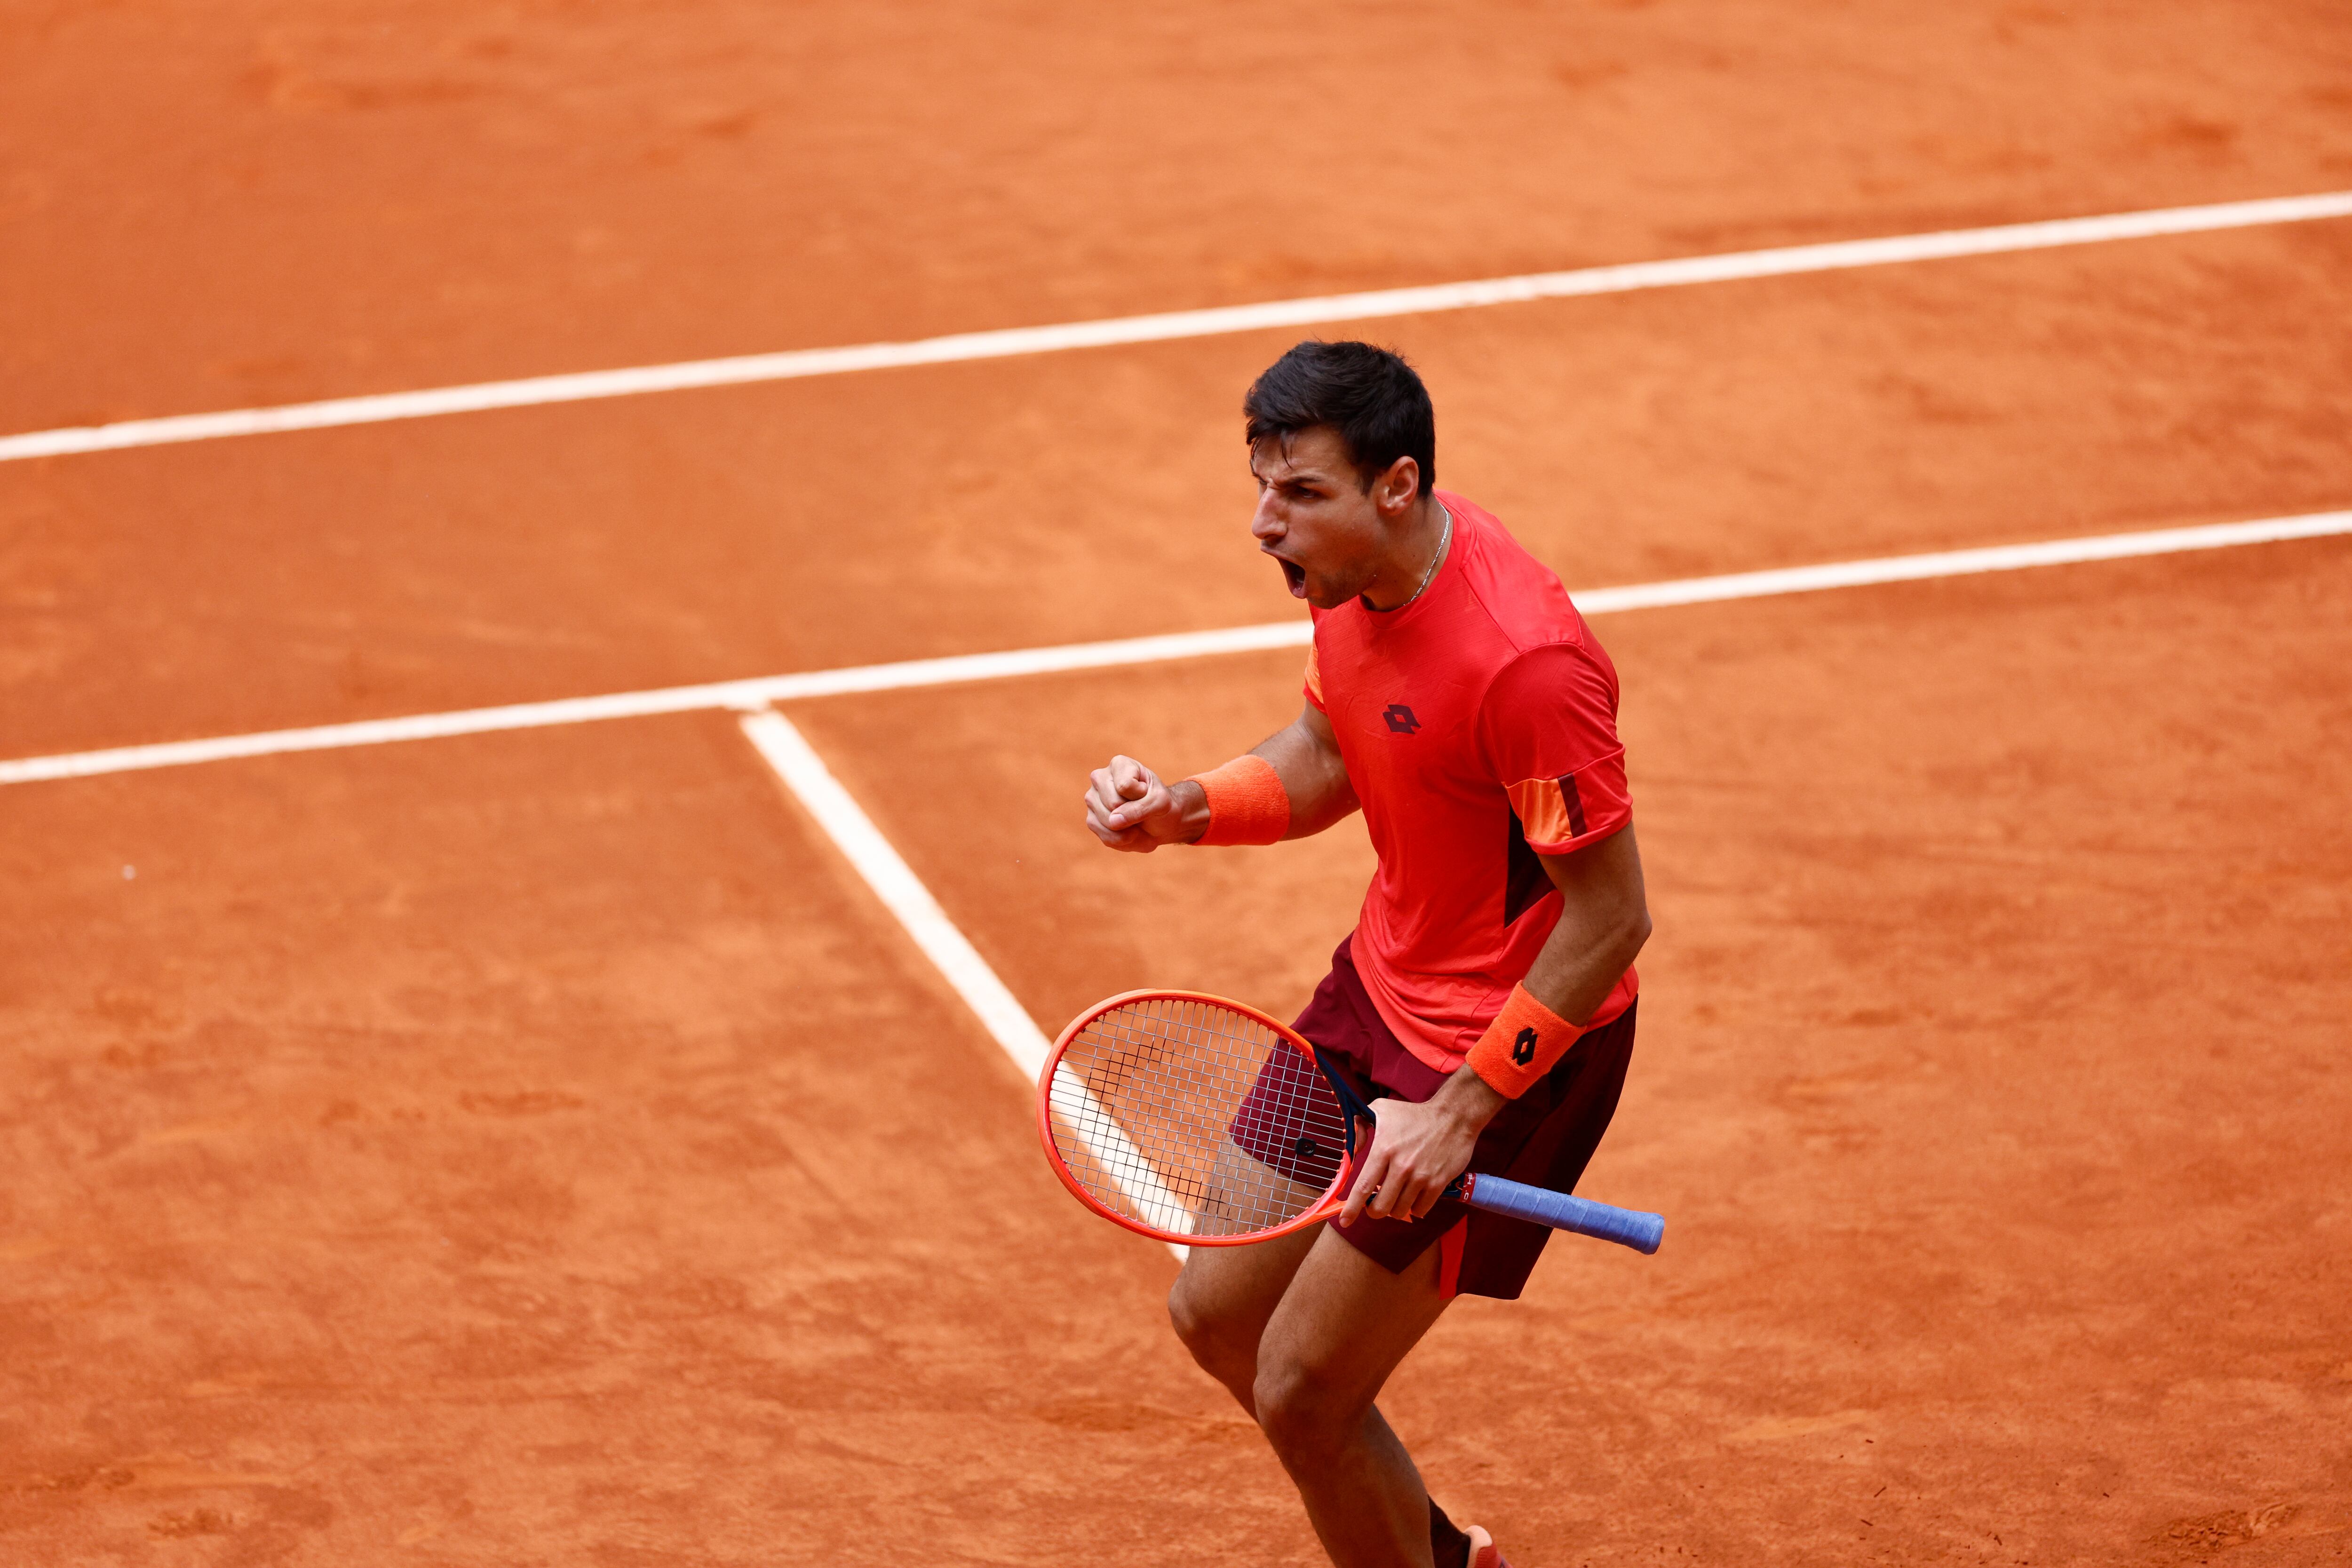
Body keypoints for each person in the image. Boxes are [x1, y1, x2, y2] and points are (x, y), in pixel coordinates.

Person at [1081, 341, 1652, 1568]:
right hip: (1373, 997)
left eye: (1299, 495)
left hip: (1506, 1057)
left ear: (1396, 488)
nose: (1262, 523)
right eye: (1260, 486)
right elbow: (1332, 747)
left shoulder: (1526, 665)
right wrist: (1186, 806)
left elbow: (1609, 921)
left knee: (1301, 1392)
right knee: (1220, 1319)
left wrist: (1456, 1113)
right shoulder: (1352, 591)